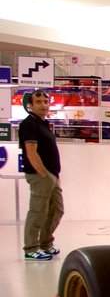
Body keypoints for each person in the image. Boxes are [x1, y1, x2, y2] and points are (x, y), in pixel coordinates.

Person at [19, 89, 63, 261]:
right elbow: (31, 151)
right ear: (30, 105)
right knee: (38, 211)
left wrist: (54, 175)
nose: (43, 105)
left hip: (52, 175)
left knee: (56, 210)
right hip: (41, 176)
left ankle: (46, 243)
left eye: (46, 101)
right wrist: (44, 174)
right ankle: (31, 248)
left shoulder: (43, 123)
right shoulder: (29, 124)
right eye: (38, 102)